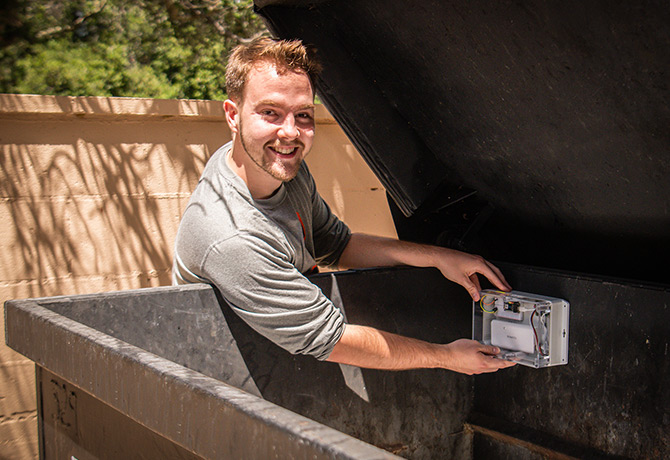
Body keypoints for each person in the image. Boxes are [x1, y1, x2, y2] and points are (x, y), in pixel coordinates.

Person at [173, 37, 515, 375]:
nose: (290, 133)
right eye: (270, 113)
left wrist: (437, 257)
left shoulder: (277, 167)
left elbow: (338, 244)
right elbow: (332, 339)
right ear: (233, 115)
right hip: (228, 381)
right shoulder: (231, 237)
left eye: (303, 115)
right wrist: (447, 357)